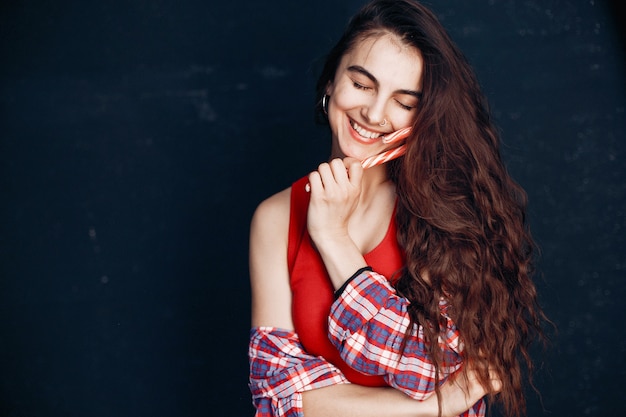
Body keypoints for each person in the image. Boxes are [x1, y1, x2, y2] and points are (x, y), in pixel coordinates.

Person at [248, 0, 547, 416]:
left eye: (404, 103)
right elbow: (274, 388)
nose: (373, 113)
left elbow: (427, 366)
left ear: (424, 115)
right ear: (332, 81)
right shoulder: (275, 218)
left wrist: (333, 239)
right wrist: (431, 409)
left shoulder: (447, 215)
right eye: (362, 84)